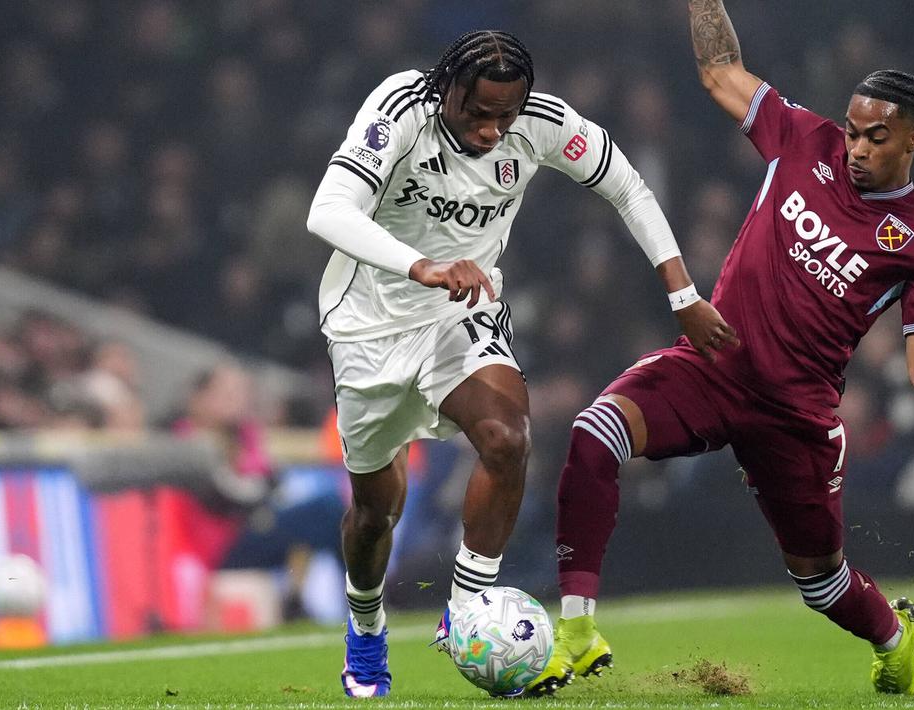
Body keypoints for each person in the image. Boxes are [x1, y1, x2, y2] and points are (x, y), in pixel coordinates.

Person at [527, 0, 914, 697]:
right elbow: (719, 70)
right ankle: (578, 631)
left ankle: (893, 636)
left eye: (876, 137)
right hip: (713, 367)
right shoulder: (801, 137)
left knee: (820, 583)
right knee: (594, 433)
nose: (856, 148)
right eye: (852, 132)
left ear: (913, 140)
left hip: (796, 416)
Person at [304, 30, 732, 698]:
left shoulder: (541, 124)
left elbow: (629, 187)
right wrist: (422, 266)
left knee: (507, 438)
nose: (491, 130)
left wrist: (683, 294)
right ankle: (365, 628)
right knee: (373, 512)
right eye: (478, 113)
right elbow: (328, 210)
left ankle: (466, 610)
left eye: (504, 116)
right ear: (448, 89)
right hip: (368, 330)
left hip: (460, 313)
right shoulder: (402, 106)